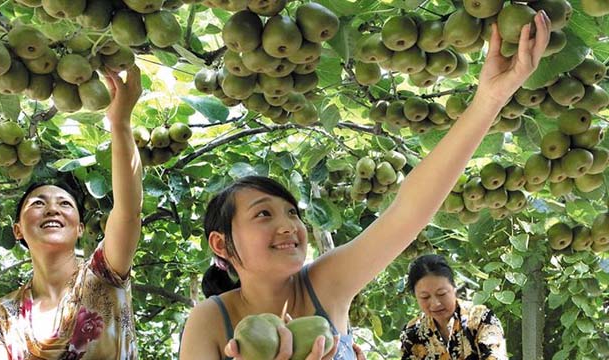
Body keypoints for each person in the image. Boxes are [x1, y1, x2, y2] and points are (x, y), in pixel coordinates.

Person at [179, 12, 551, 360]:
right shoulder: (210, 321)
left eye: (292, 213)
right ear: (221, 243)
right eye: (263, 213)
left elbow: (408, 212)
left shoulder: (325, 283)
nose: (290, 226)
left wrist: (489, 99)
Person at [0, 65, 144, 359]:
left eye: (65, 204)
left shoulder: (103, 275)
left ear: (80, 228)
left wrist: (120, 123)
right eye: (38, 203)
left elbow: (128, 211)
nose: (52, 207)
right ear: (17, 229)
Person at [400, 255, 507, 359]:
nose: (435, 303)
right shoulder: (412, 331)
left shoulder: (481, 319)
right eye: (425, 297)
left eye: (441, 294)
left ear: (454, 287)